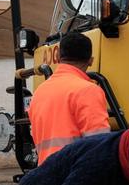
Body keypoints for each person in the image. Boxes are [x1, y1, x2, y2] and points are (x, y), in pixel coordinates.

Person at [27, 31, 110, 164]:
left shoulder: (39, 92)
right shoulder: (88, 91)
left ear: (59, 56)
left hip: (45, 175)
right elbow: (98, 146)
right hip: (74, 175)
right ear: (90, 61)